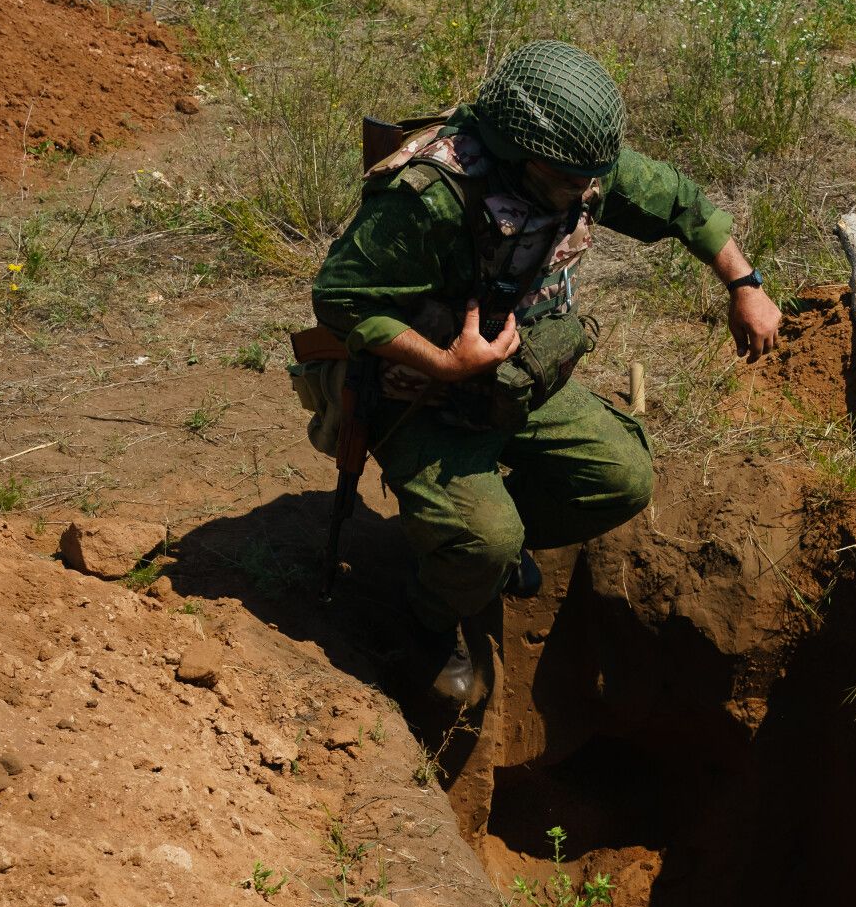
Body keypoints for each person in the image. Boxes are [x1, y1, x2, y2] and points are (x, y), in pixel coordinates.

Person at [307, 39, 782, 707]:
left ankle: (473, 555)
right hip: (420, 396)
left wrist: (744, 282)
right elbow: (340, 298)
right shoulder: (431, 196)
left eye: (594, 177)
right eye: (571, 181)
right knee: (487, 541)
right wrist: (445, 362)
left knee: (618, 478)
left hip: (516, 379)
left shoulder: (577, 168)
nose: (589, 193)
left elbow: (680, 203)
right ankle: (428, 613)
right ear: (519, 157)